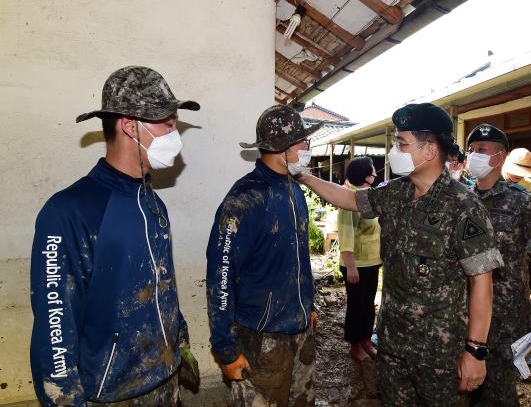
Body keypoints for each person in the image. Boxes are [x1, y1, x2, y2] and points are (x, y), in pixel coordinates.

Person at [297, 103, 504, 406]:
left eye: (402, 143)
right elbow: (351, 199)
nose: (395, 150)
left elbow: (482, 283)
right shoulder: (396, 192)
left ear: (430, 150)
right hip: (392, 345)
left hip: (440, 354)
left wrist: (475, 351)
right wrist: (304, 177)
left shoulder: (464, 207)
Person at [30, 66, 200, 406]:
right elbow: (54, 326)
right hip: (112, 395)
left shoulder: (153, 203)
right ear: (129, 125)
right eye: (166, 123)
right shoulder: (69, 212)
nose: (174, 132)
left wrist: (180, 343)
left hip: (166, 383)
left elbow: (161, 284)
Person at [207, 105, 321, 407]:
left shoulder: (294, 190)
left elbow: (299, 255)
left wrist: (306, 301)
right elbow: (220, 277)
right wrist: (226, 349)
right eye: (302, 143)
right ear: (283, 148)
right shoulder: (244, 199)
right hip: (262, 338)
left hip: (301, 331)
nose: (306, 148)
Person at [465, 124, 531, 407]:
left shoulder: (522, 202)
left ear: (500, 156)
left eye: (481, 150)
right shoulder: (461, 198)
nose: (474, 156)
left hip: (506, 314)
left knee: (499, 390)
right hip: (460, 309)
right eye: (471, 151)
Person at [337, 156, 382, 362]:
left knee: (368, 304)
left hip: (372, 262)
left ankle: (365, 339)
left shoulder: (369, 196)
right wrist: (351, 266)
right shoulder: (349, 199)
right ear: (365, 175)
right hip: (357, 265)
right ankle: (355, 345)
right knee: (357, 305)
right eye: (373, 170)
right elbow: (346, 234)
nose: (375, 173)